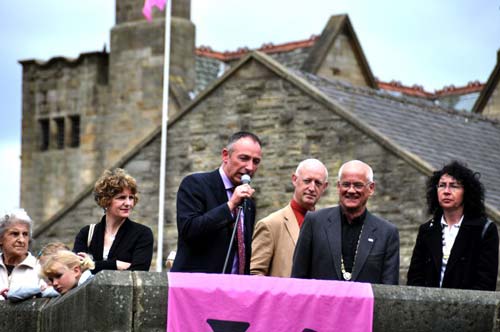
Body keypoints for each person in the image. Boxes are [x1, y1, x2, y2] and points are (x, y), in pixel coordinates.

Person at [291, 160, 400, 284]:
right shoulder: (314, 222)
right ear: (338, 186)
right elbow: (298, 279)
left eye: (358, 185)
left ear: (371, 188)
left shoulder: (386, 233)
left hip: (366, 304)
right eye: (346, 184)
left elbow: (390, 288)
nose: (351, 190)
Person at [171, 131, 262, 274]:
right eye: (244, 158)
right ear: (226, 155)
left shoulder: (248, 203)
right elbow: (189, 230)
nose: (250, 167)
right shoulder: (195, 184)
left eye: (256, 161)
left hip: (234, 289)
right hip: (197, 286)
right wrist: (230, 205)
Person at [407, 161, 499, 290]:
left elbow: (486, 282)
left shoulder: (484, 230)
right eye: (442, 185)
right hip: (428, 307)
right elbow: (415, 277)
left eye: (454, 186)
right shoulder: (427, 230)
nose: (446, 191)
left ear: (467, 192)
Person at [251, 159, 329, 277]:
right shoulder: (271, 225)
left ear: (325, 187)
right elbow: (255, 274)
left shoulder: (327, 227)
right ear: (294, 179)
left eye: (318, 183)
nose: (312, 188)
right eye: (307, 181)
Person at [73, 168, 154, 273]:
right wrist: (116, 264)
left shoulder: (142, 234)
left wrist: (93, 264)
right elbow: (76, 269)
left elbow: (139, 272)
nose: (128, 203)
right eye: (121, 198)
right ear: (106, 200)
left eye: (131, 197)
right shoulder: (87, 233)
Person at [0, 209, 53, 301]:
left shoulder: (40, 269)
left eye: (25, 234)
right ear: (1, 239)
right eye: (15, 234)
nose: (22, 240)